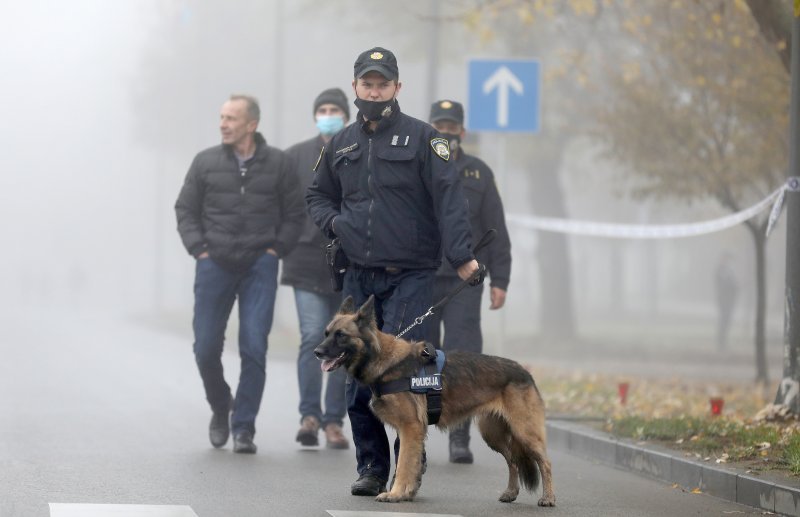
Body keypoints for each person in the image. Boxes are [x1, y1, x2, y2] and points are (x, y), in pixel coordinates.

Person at [306, 47, 480, 497]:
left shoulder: (426, 140)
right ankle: (371, 467)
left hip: (412, 273)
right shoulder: (340, 144)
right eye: (368, 83)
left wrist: (461, 256)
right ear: (356, 87)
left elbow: (450, 199)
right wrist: (334, 224)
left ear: (397, 88)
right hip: (358, 276)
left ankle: (410, 461)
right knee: (358, 377)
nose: (375, 90)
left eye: (383, 84)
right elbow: (316, 197)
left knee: (399, 375)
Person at [175, 94, 305, 454]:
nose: (223, 123)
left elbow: (296, 213)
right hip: (213, 263)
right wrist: (199, 250)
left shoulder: (278, 164)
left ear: (252, 124)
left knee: (254, 346)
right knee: (204, 347)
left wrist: (275, 250)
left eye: (231, 118)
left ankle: (244, 426)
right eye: (221, 117)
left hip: (259, 266)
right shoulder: (204, 162)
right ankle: (221, 405)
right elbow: (185, 209)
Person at [425, 99, 512, 464]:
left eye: (451, 126)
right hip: (424, 277)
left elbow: (496, 227)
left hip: (466, 281)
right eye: (439, 126)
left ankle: (459, 438)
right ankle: (419, 437)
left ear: (462, 131)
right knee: (423, 359)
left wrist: (501, 279)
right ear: (431, 128)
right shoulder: (417, 166)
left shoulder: (478, 173)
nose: (446, 132)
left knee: (462, 360)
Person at [281, 88, 351, 450]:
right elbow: (283, 205)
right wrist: (283, 243)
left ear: (346, 115)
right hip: (305, 262)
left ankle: (333, 421)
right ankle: (308, 415)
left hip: (347, 264)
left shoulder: (358, 151)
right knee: (312, 337)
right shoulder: (295, 157)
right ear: (314, 115)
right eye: (322, 109)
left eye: (334, 110)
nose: (328, 115)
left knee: (340, 343)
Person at [714, 252, 738, 351]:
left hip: (729, 300)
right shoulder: (721, 270)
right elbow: (721, 284)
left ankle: (723, 341)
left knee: (726, 320)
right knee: (724, 320)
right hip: (724, 300)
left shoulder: (730, 271)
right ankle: (721, 342)